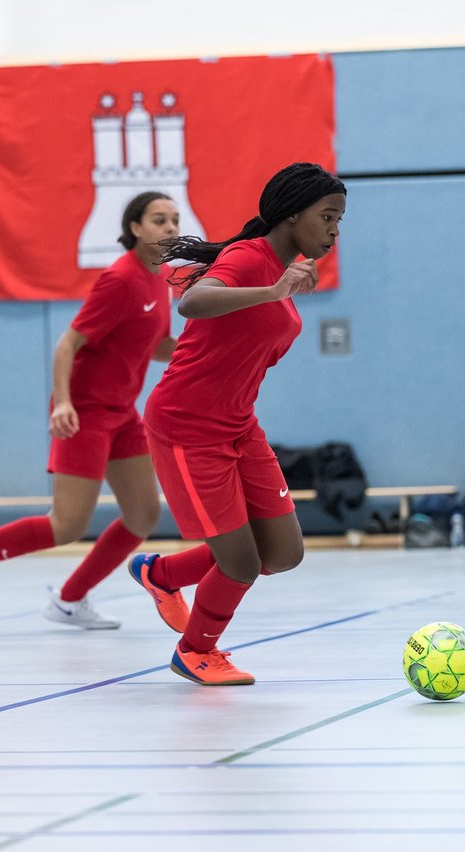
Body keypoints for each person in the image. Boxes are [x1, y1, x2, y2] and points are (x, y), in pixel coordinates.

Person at [0, 192, 180, 629]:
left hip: (122, 412)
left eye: (174, 220)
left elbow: (154, 344)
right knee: (66, 525)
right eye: (159, 220)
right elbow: (69, 343)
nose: (170, 228)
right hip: (86, 411)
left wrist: (208, 344)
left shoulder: (162, 277)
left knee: (143, 515)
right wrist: (62, 402)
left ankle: (69, 600)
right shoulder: (120, 279)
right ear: (135, 228)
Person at [128, 162, 346, 686]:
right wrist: (273, 293)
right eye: (328, 217)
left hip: (239, 427)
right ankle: (195, 651)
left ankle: (161, 574)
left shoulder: (281, 269)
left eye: (340, 220)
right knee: (240, 564)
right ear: (293, 214)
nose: (336, 231)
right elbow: (194, 301)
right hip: (187, 425)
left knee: (283, 552)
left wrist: (279, 293)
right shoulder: (249, 258)